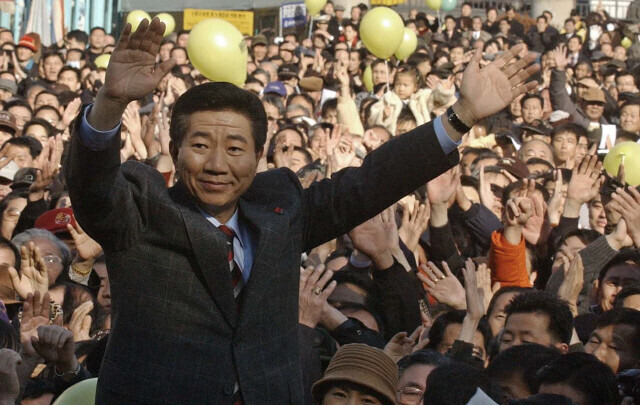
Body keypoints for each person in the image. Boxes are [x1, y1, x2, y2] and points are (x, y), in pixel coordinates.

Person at [65, 17, 540, 405]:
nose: (216, 164)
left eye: (234, 148)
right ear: (175, 148)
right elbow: (92, 186)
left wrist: (460, 117)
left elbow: (370, 183)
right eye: (200, 145)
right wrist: (108, 104)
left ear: (257, 157)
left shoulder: (281, 210)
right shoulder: (140, 209)